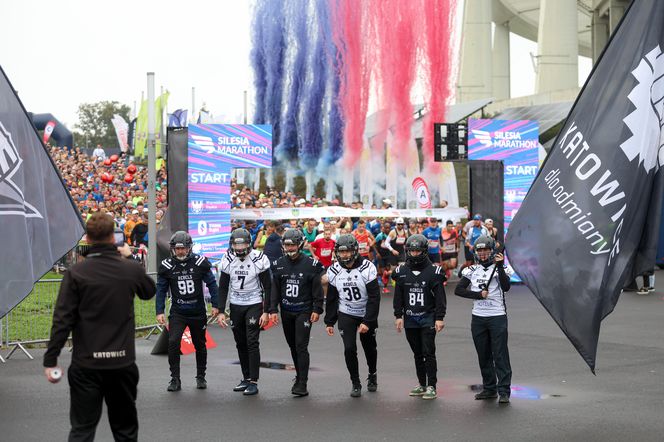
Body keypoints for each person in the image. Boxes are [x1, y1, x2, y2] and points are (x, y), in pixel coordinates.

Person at [43, 212, 156, 441]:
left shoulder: (77, 272)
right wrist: (131, 259)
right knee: (125, 431)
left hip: (86, 364)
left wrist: (50, 359)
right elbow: (149, 291)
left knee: (82, 429)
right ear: (113, 237)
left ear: (88, 238)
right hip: (121, 362)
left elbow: (62, 319)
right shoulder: (129, 269)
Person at [156, 231, 220, 392]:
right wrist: (159, 311)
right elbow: (161, 290)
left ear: (189, 247)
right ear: (172, 249)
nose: (180, 252)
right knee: (172, 342)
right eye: (177, 249)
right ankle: (175, 378)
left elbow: (212, 284)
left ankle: (201, 376)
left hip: (197, 311)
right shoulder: (167, 266)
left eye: (183, 248)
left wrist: (216, 305)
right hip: (178, 311)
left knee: (200, 344)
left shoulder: (200, 262)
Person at [454, 235, 513, 404]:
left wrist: (500, 267)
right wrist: (478, 295)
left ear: (492, 251)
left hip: (497, 316)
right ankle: (489, 389)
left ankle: (504, 390)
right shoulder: (472, 270)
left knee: (500, 354)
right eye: (480, 251)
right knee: (483, 354)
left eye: (486, 251)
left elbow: (506, 286)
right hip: (478, 317)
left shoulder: (501, 268)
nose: (483, 254)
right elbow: (459, 290)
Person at [269, 229, 326, 396]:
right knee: (293, 346)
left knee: (301, 346)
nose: (290, 248)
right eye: (287, 245)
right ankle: (299, 375)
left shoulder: (311, 264)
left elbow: (318, 289)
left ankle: (303, 383)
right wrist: (273, 309)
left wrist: (317, 308)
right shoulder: (279, 264)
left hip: (304, 310)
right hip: (287, 311)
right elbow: (275, 290)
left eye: (293, 244)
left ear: (300, 244)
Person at [217, 228, 272, 395]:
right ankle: (246, 377)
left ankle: (254, 380)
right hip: (236, 305)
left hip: (254, 303)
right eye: (236, 244)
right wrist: (220, 311)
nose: (240, 248)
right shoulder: (227, 258)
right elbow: (223, 286)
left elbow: (268, 286)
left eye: (243, 244)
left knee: (251, 341)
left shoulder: (258, 258)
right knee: (240, 342)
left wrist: (267, 310)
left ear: (249, 243)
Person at [324, 234, 381, 397]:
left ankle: (372, 374)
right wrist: (329, 321)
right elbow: (332, 297)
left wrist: (368, 321)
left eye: (347, 251)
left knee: (369, 347)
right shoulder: (334, 270)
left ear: (355, 251)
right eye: (341, 252)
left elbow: (374, 297)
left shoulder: (367, 267)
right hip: (346, 312)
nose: (344, 255)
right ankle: (355, 382)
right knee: (349, 348)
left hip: (365, 312)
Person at [393, 234, 446, 400]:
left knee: (428, 352)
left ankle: (432, 385)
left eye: (417, 251)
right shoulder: (401, 271)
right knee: (417, 353)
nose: (414, 254)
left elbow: (440, 297)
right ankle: (422, 383)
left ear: (424, 251)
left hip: (428, 317)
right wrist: (398, 315)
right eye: (412, 251)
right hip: (410, 318)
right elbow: (398, 296)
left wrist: (440, 317)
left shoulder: (434, 272)